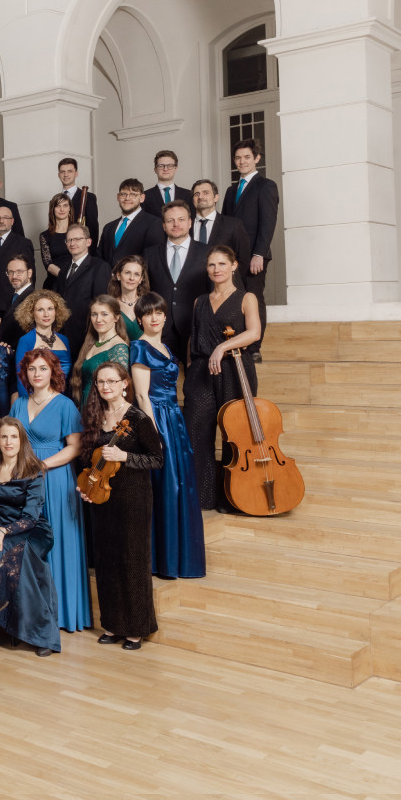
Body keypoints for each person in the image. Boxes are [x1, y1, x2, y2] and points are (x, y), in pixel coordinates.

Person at [80, 362, 163, 649]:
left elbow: (157, 459)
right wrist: (86, 487)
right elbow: (88, 457)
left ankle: (136, 628)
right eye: (101, 382)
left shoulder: (137, 418)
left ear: (124, 383)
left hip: (133, 498)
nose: (106, 387)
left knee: (132, 561)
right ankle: (112, 625)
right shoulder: (95, 415)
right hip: (102, 497)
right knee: (106, 562)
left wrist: (125, 456)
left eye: (112, 381)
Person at [9, 350, 89, 633]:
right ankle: (33, 617)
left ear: (53, 372)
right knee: (29, 544)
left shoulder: (65, 405)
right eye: (31, 369)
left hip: (54, 478)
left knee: (57, 541)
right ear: (25, 373)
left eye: (43, 368)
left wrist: (42, 465)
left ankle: (61, 614)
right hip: (23, 480)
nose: (37, 374)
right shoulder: (18, 404)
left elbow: (75, 447)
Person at [129, 293, 205, 579]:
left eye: (159, 313)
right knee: (166, 485)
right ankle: (163, 561)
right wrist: (153, 434)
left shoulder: (164, 346)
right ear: (140, 319)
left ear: (164, 316)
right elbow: (141, 395)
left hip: (174, 418)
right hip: (157, 418)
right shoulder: (139, 347)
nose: (155, 318)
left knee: (181, 485)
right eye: (148, 314)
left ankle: (180, 558)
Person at [184, 245, 262, 513]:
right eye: (211, 265)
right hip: (201, 372)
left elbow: (254, 333)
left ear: (234, 266)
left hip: (235, 369)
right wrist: (192, 365)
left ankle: (232, 498)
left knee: (234, 434)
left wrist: (222, 347)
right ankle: (202, 498)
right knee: (196, 432)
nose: (216, 269)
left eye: (221, 264)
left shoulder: (246, 298)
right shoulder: (200, 301)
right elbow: (193, 337)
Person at [0, 418, 57, 656]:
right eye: (4, 436)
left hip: (34, 532)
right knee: (0, 547)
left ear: (21, 441)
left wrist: (3, 530)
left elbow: (31, 518)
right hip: (3, 533)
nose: (8, 441)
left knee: (7, 547)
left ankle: (43, 634)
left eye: (14, 437)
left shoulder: (33, 470)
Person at [221, 138, 278, 359]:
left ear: (257, 158)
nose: (242, 161)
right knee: (233, 301)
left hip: (254, 256)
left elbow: (268, 223)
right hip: (232, 258)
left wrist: (259, 254)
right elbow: (225, 224)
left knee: (254, 299)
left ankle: (254, 348)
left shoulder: (266, 186)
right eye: (238, 158)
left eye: (247, 157)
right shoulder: (231, 190)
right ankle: (237, 344)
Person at [143, 200, 210, 365]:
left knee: (195, 378)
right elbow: (145, 291)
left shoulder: (207, 252)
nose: (176, 224)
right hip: (161, 328)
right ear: (163, 226)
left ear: (190, 223)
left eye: (181, 219)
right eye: (170, 220)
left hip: (196, 326)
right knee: (160, 378)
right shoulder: (149, 254)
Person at [50, 223, 110, 350]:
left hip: (86, 334)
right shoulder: (64, 269)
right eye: (69, 240)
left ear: (88, 242)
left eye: (77, 239)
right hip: (62, 334)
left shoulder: (100, 267)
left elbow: (101, 304)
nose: (72, 243)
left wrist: (94, 335)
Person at [71, 295, 130, 407]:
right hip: (86, 406)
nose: (98, 319)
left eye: (104, 314)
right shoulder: (91, 343)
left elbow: (117, 390)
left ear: (116, 317)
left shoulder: (119, 348)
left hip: (102, 408)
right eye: (94, 314)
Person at [12, 289, 72, 397]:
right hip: (35, 401)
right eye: (40, 310)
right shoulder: (26, 341)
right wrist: (31, 404)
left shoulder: (64, 340)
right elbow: (22, 380)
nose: (46, 314)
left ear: (56, 311)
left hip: (63, 400)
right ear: (31, 313)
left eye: (50, 309)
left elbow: (69, 380)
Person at [100, 178, 165, 266]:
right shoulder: (108, 227)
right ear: (118, 197)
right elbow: (99, 258)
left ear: (142, 198)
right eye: (123, 194)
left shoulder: (153, 223)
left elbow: (153, 259)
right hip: (108, 275)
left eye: (133, 194)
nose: (127, 198)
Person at [0, 204, 36, 296]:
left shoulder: (23, 243)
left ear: (12, 221)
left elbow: (30, 276)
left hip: (12, 299)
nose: (1, 221)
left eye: (5, 218)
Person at [190, 178, 251, 263]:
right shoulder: (184, 226)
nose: (200, 197)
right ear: (193, 200)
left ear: (216, 197)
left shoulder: (233, 225)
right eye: (197, 194)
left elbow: (243, 260)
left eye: (206, 193)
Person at [56, 157, 100, 249]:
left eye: (70, 171)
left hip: (80, 250)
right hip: (61, 248)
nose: (66, 175)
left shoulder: (89, 197)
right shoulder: (55, 201)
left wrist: (89, 255)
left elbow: (93, 230)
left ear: (76, 173)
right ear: (59, 175)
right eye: (62, 172)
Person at [0, 255, 37, 350]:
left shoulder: (34, 299)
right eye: (10, 272)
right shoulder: (11, 298)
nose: (14, 276)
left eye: (19, 272)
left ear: (29, 273)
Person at [109, 255, 150, 340]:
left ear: (141, 279)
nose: (131, 278)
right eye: (127, 273)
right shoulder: (110, 306)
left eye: (136, 274)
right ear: (118, 275)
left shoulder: (149, 304)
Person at [142, 149, 192, 217]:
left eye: (170, 166)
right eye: (161, 166)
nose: (165, 169)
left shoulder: (189, 195)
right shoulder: (144, 196)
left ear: (176, 168)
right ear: (155, 170)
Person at [40, 193, 73, 280]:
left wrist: (75, 278)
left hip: (78, 279)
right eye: (58, 206)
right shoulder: (45, 236)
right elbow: (48, 264)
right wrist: (66, 277)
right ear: (53, 209)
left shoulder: (78, 232)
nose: (62, 209)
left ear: (69, 208)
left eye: (65, 205)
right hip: (55, 281)